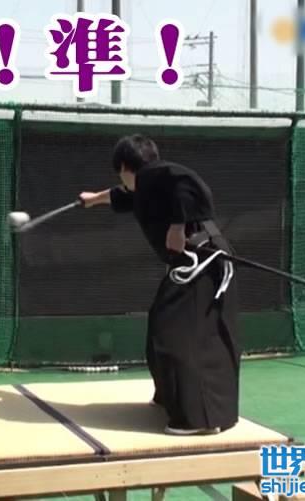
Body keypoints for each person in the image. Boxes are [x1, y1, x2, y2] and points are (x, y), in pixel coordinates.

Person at [79, 135, 241, 435]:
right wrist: (94, 199)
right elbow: (121, 196)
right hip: (197, 265)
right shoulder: (148, 187)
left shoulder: (155, 175)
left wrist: (178, 226)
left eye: (120, 173)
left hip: (200, 263)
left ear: (125, 166)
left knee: (176, 333)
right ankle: (173, 399)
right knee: (164, 325)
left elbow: (191, 184)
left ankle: (198, 419)